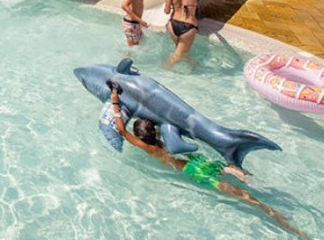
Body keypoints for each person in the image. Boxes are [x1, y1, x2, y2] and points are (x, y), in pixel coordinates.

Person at [107, 82, 307, 237]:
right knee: (229, 169)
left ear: (140, 137)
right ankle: (244, 175)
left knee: (245, 198)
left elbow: (122, 130)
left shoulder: (150, 148)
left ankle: (278, 218)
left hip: (194, 171)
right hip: (198, 160)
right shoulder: (163, 138)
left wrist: (115, 101)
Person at [165, 0, 200, 67]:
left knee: (182, 51)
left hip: (173, 25)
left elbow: (167, 11)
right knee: (178, 54)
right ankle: (164, 70)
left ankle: (192, 65)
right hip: (188, 26)